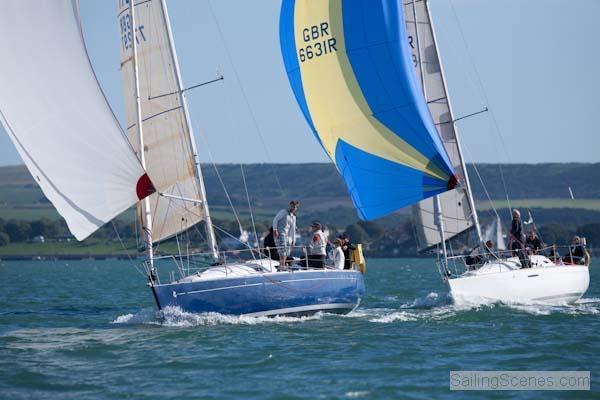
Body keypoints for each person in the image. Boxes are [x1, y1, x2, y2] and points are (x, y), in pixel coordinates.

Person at [272, 200, 299, 270]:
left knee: (286, 252)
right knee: (283, 251)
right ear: (290, 205)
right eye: (292, 206)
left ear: (296, 208)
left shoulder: (293, 217)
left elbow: (293, 229)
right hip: (280, 233)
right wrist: (275, 229)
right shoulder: (283, 212)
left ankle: (282, 265)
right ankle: (282, 266)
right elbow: (275, 220)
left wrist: (293, 239)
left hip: (287, 236)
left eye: (295, 207)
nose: (293, 208)